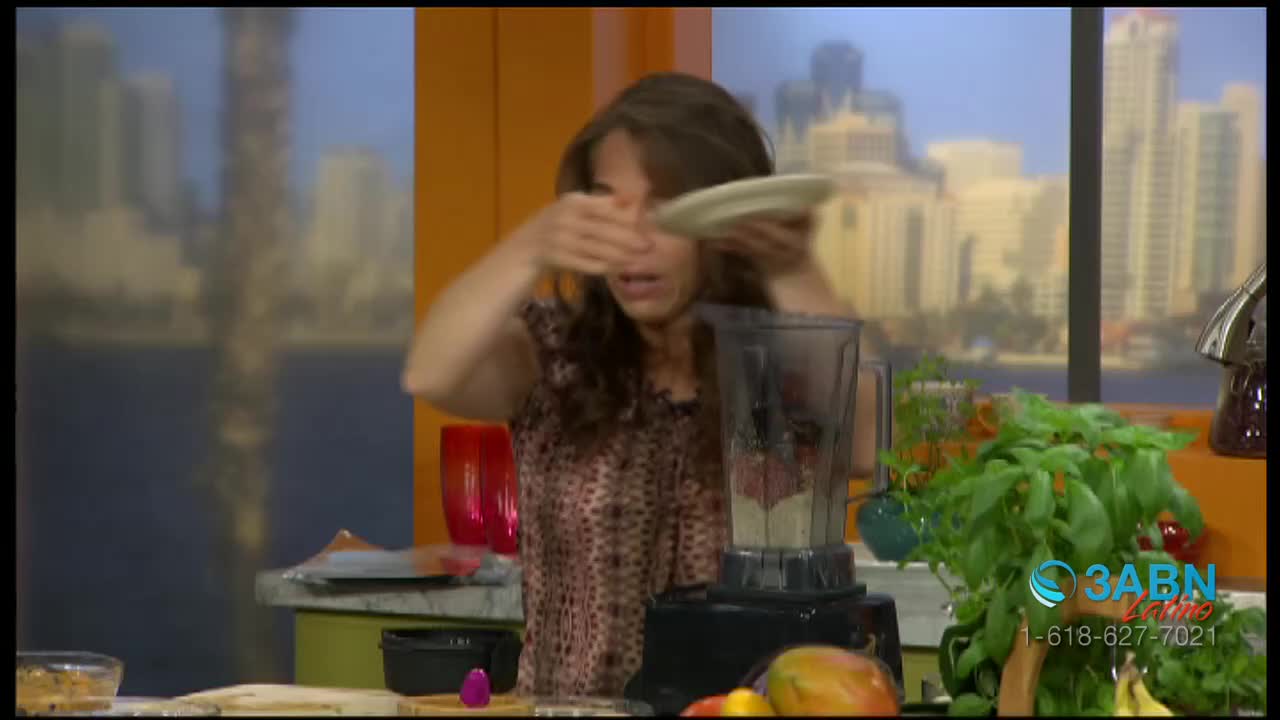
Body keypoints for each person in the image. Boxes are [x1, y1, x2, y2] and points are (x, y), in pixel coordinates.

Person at [402, 72, 878, 698]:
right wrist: (531, 245)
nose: (633, 239)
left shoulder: (772, 362)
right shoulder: (555, 354)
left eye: (663, 209)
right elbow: (431, 371)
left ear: (721, 219)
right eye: (607, 206)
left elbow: (868, 443)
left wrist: (789, 265)